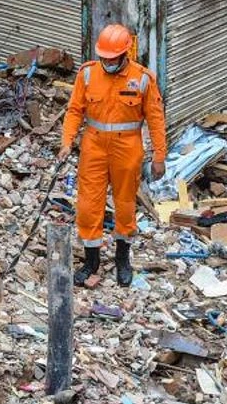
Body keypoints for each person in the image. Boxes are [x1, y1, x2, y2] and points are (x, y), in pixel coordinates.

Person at [57, 24, 167, 287]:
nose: (107, 62)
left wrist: (159, 156)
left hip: (127, 149)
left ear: (124, 54)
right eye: (103, 58)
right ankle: (91, 261)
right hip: (93, 147)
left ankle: (122, 259)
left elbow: (156, 119)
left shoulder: (143, 79)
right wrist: (66, 142)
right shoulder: (87, 74)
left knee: (125, 205)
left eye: (112, 58)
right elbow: (74, 110)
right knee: (87, 206)